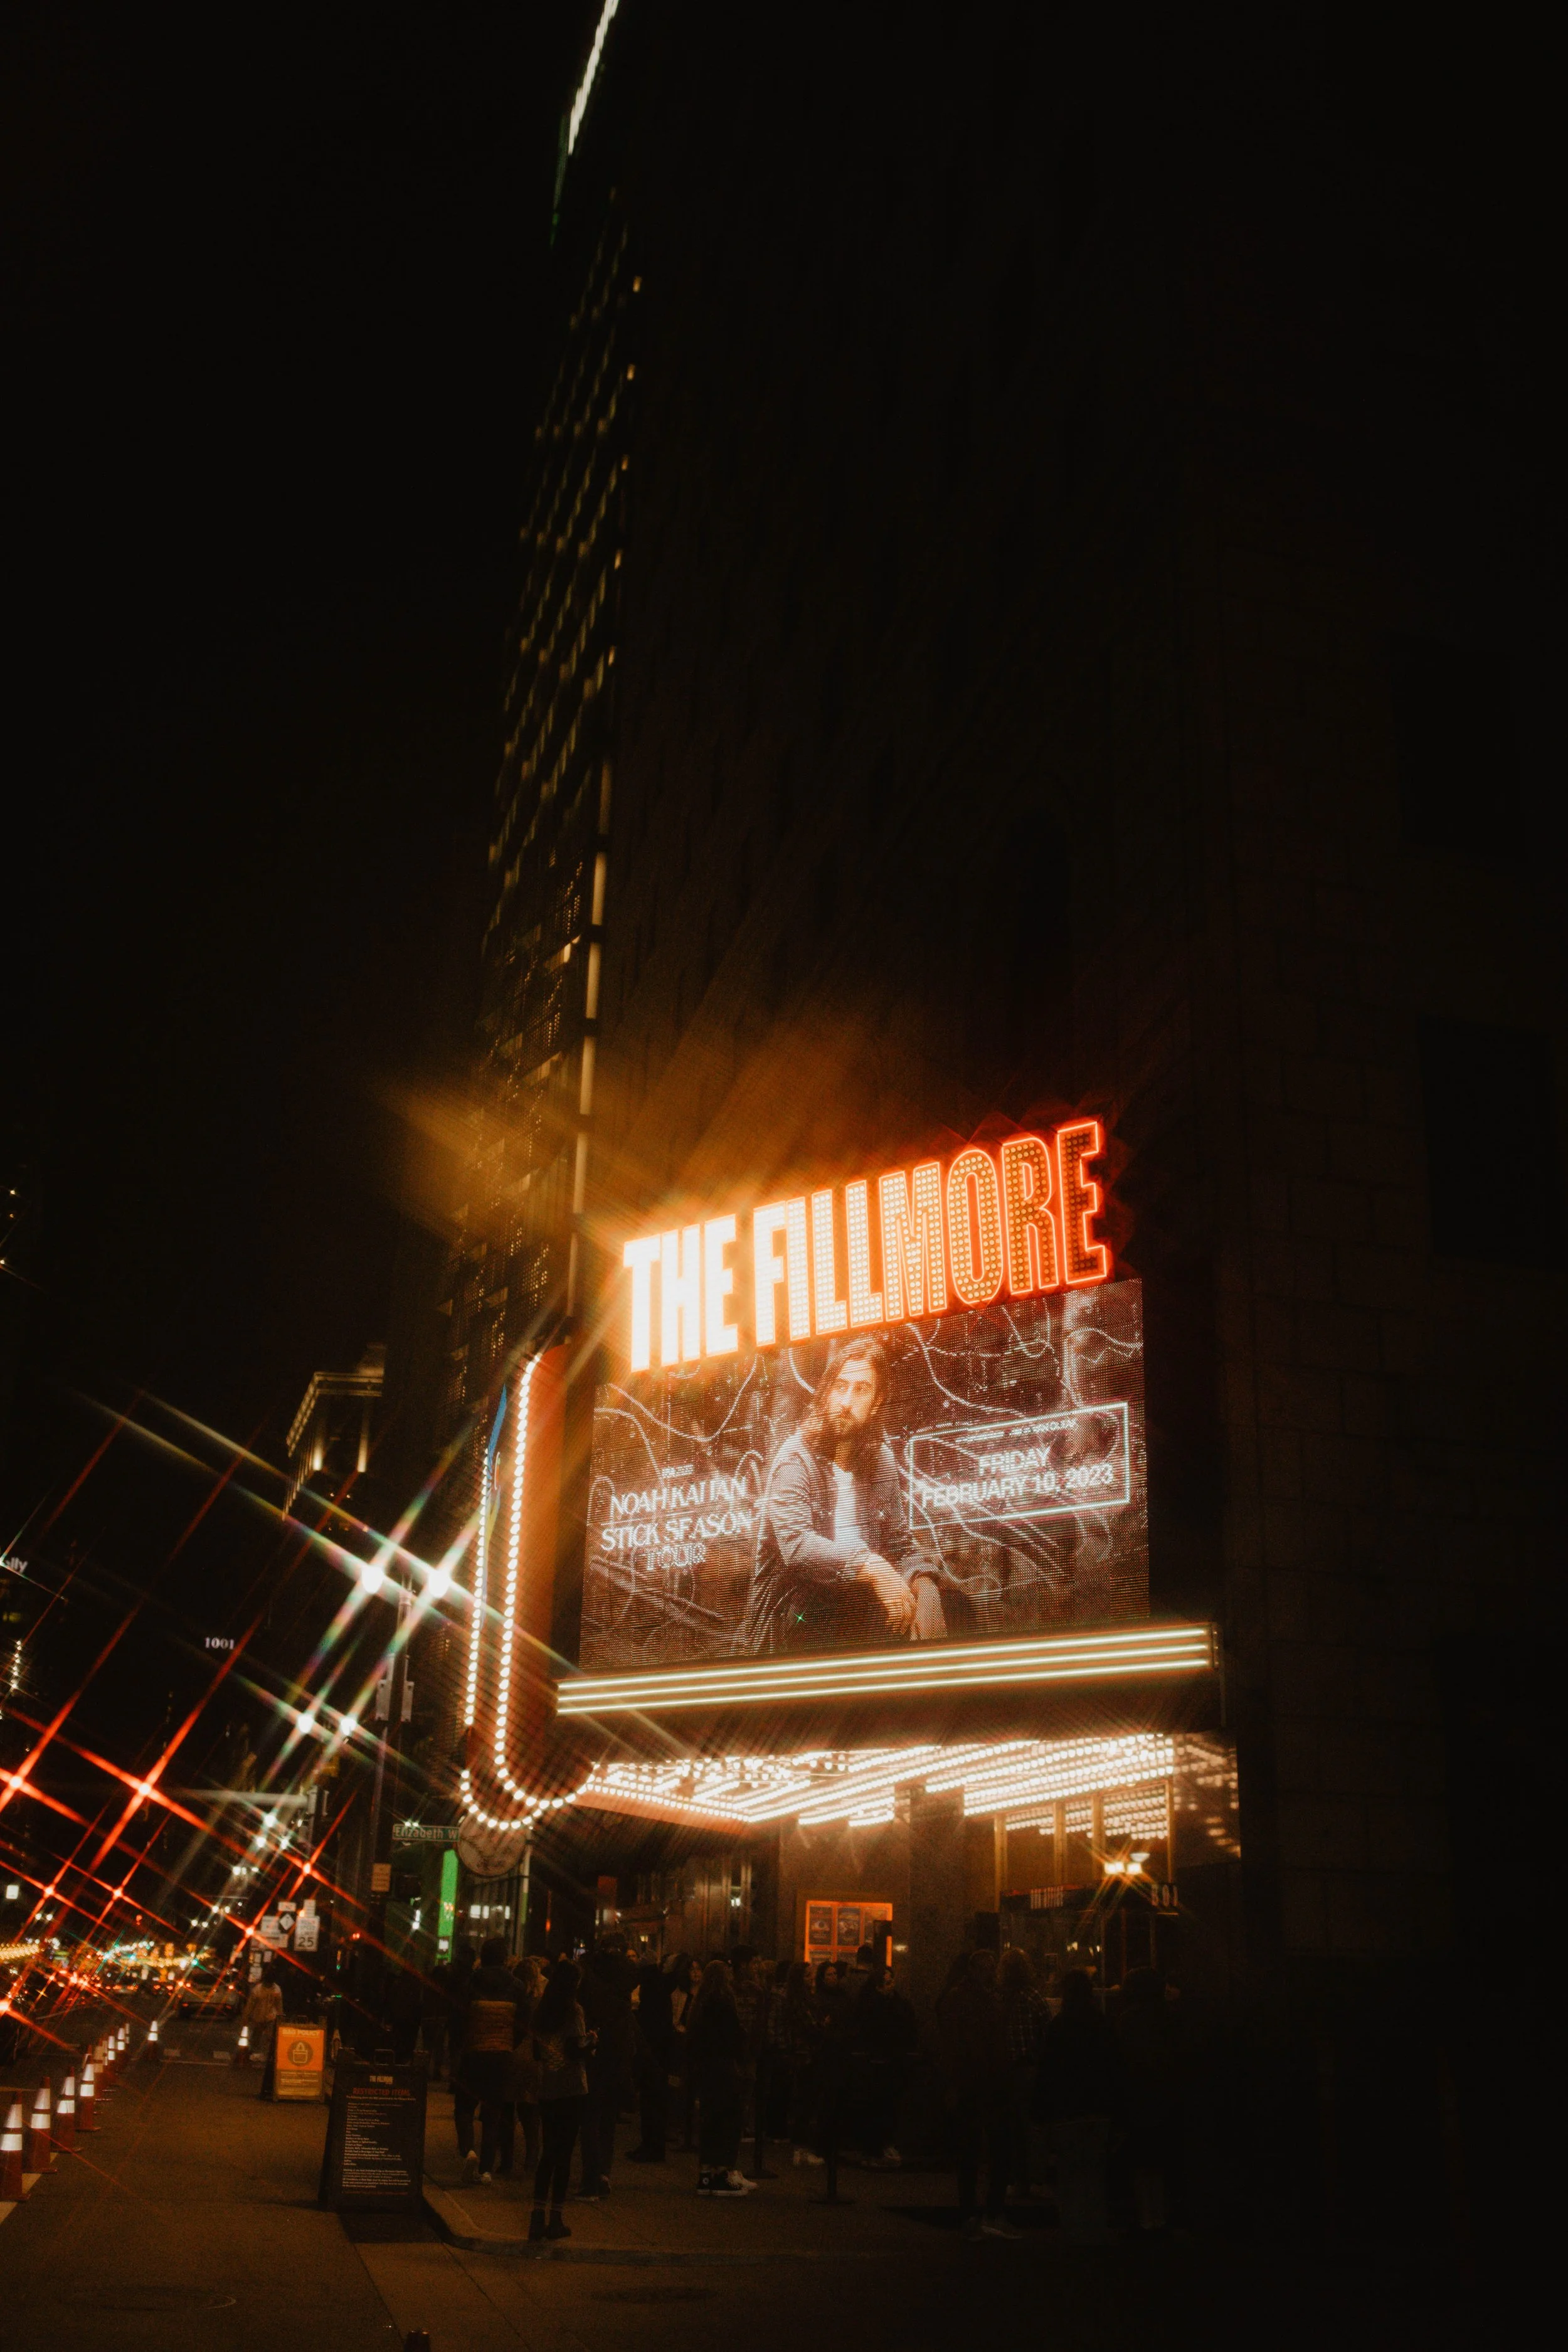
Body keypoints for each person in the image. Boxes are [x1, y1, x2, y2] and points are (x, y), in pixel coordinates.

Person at [741, 1340, 955, 1653]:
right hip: (797, 1613)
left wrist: (923, 1586)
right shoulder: (794, 1459)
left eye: (861, 1390)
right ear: (826, 1392)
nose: (846, 1401)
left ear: (877, 1400)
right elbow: (797, 1546)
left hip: (858, 1602)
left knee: (942, 1600)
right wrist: (872, 1567)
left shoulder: (879, 1457)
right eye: (840, 1388)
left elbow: (898, 1542)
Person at [935, 1949, 1020, 2240]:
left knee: (973, 2152)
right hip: (983, 2083)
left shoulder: (962, 1998)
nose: (991, 1972)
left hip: (976, 2083)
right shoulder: (984, 2000)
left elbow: (953, 2045)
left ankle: (973, 2215)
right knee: (990, 2150)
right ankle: (986, 2213)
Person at [1036, 1968, 1123, 2242]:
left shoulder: (1058, 2026)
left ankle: (1073, 2227)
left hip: (1067, 2110)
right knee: (1094, 2173)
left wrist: (1043, 2111)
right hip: (1098, 2109)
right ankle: (1095, 2226)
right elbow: (1114, 2068)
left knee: (1070, 2173)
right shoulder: (1103, 2024)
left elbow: (1048, 2071)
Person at [527, 1959, 594, 2242]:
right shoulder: (573, 2011)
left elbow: (537, 2052)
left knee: (548, 2155)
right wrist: (592, 2041)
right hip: (571, 2089)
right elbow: (576, 2050)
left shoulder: (541, 2012)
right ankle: (556, 2219)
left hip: (547, 2089)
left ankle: (536, 2218)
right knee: (564, 2156)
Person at [1115, 1966, 1180, 2232]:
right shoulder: (1169, 2016)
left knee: (1142, 2161)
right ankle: (1160, 2216)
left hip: (1138, 2095)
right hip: (1164, 2094)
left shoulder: (1128, 2020)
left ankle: (1147, 2217)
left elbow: (1121, 2060)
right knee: (1159, 2159)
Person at [455, 1936, 524, 2184]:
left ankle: (468, 2150)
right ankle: (486, 2170)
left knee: (464, 2107)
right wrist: (508, 2044)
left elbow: (460, 2016)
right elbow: (523, 2025)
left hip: (474, 2053)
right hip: (502, 2055)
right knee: (493, 2113)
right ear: (505, 1958)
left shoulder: (472, 1982)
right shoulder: (516, 1986)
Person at [578, 1931, 639, 2200]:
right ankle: (604, 2171)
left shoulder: (589, 1974)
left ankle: (590, 2177)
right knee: (608, 2120)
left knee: (590, 2117)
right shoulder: (627, 1979)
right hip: (618, 2052)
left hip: (593, 2049)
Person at [687, 1957, 751, 2197]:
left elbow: (693, 2041)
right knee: (727, 2121)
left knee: (708, 2121)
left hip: (705, 2070)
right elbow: (734, 2039)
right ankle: (721, 2174)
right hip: (724, 2069)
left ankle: (705, 2175)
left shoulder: (699, 2005)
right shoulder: (724, 2005)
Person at [846, 1963, 918, 2167]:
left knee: (888, 2106)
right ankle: (875, 2146)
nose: (889, 1986)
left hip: (890, 2060)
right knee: (877, 2106)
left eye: (890, 1981)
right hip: (879, 2060)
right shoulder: (876, 2004)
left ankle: (882, 2144)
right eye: (885, 1982)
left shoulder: (897, 2003)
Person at [999, 1945, 1051, 2199]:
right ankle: (1036, 2180)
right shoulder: (1034, 1997)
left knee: (1012, 2128)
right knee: (1034, 2127)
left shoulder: (999, 1998)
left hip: (1007, 2070)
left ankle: (1015, 2179)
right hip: (1030, 2068)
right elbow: (1047, 2032)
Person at [772, 1960, 824, 2165]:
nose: (811, 1978)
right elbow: (810, 2026)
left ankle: (800, 2148)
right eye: (807, 1975)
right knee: (805, 2102)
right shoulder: (799, 2001)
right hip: (805, 2055)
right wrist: (823, 2025)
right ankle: (801, 2149)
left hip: (803, 2054)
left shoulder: (800, 1999)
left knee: (804, 2102)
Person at [627, 1949, 675, 2163]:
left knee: (651, 2102)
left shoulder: (652, 1992)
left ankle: (652, 2146)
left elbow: (650, 2023)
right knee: (653, 2101)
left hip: (652, 2052)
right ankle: (651, 2145)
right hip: (658, 2052)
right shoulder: (660, 1991)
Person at [507, 1954, 547, 2177]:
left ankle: (506, 2157)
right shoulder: (541, 2002)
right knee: (530, 2110)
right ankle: (532, 2156)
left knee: (509, 2108)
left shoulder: (514, 2000)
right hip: (533, 2057)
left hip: (513, 2054)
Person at [669, 1954, 701, 2149]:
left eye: (699, 1968)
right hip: (682, 2043)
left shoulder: (704, 1994)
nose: (696, 1973)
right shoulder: (680, 1994)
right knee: (680, 2086)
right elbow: (675, 2018)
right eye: (692, 1969)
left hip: (698, 2044)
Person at [242, 1966, 284, 2094]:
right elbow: (251, 2004)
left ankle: (267, 2055)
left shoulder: (276, 1990)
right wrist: (246, 2016)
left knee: (270, 2038)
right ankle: (253, 2053)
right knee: (257, 2036)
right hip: (259, 2017)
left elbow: (279, 2005)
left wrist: (281, 2017)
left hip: (271, 2017)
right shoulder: (258, 1990)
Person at [420, 1957, 454, 2083]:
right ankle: (436, 2071)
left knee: (427, 2046)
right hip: (441, 2019)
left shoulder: (428, 1986)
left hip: (427, 2018)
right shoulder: (446, 1988)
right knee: (439, 2046)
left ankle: (424, 2070)